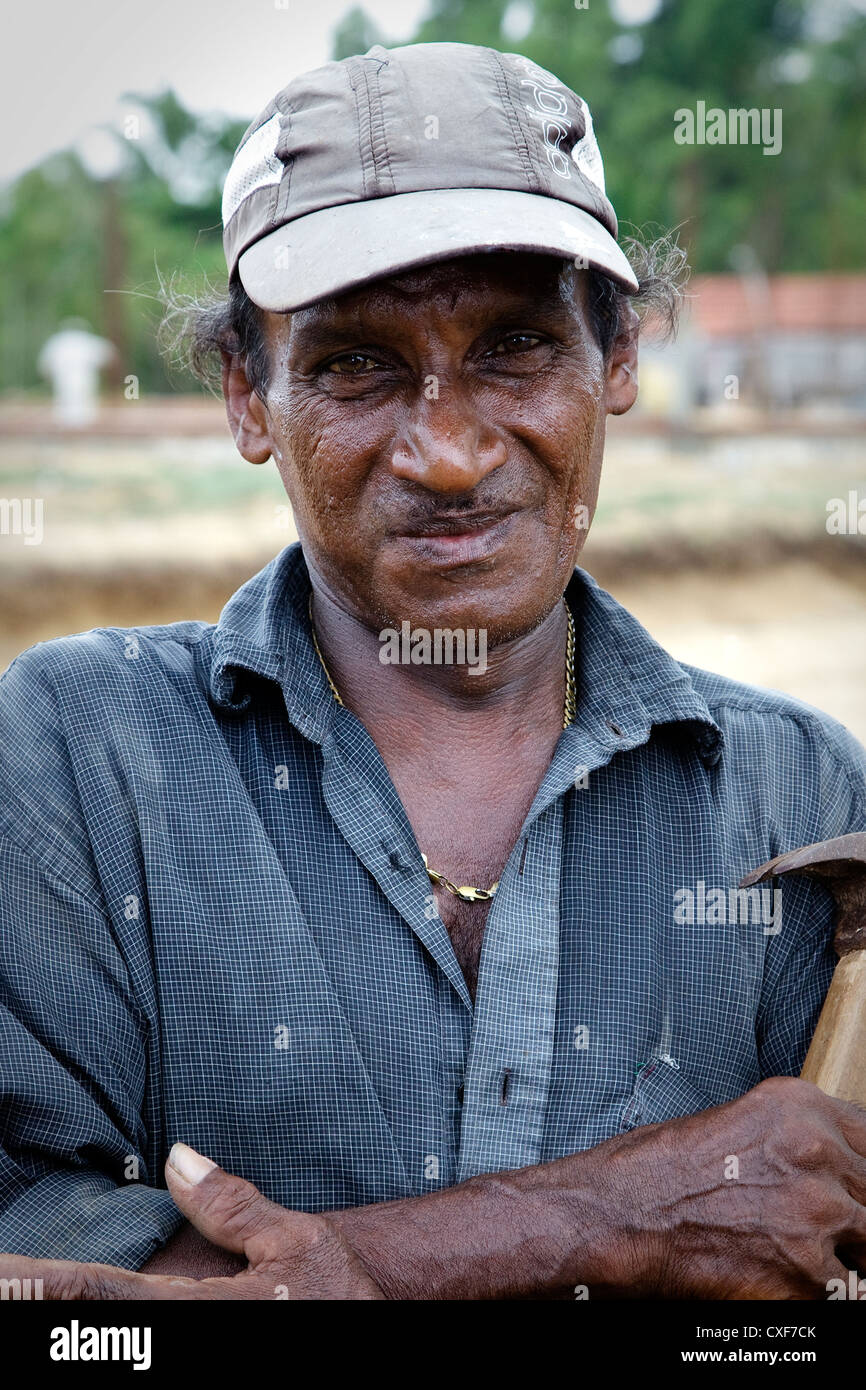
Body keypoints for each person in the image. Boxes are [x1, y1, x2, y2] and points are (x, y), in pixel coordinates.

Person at [1, 42, 865, 1301]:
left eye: (514, 347)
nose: (449, 453)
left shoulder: (800, 794)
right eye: (354, 363)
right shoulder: (74, 758)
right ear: (248, 395)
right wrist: (595, 1217)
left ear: (616, 360)